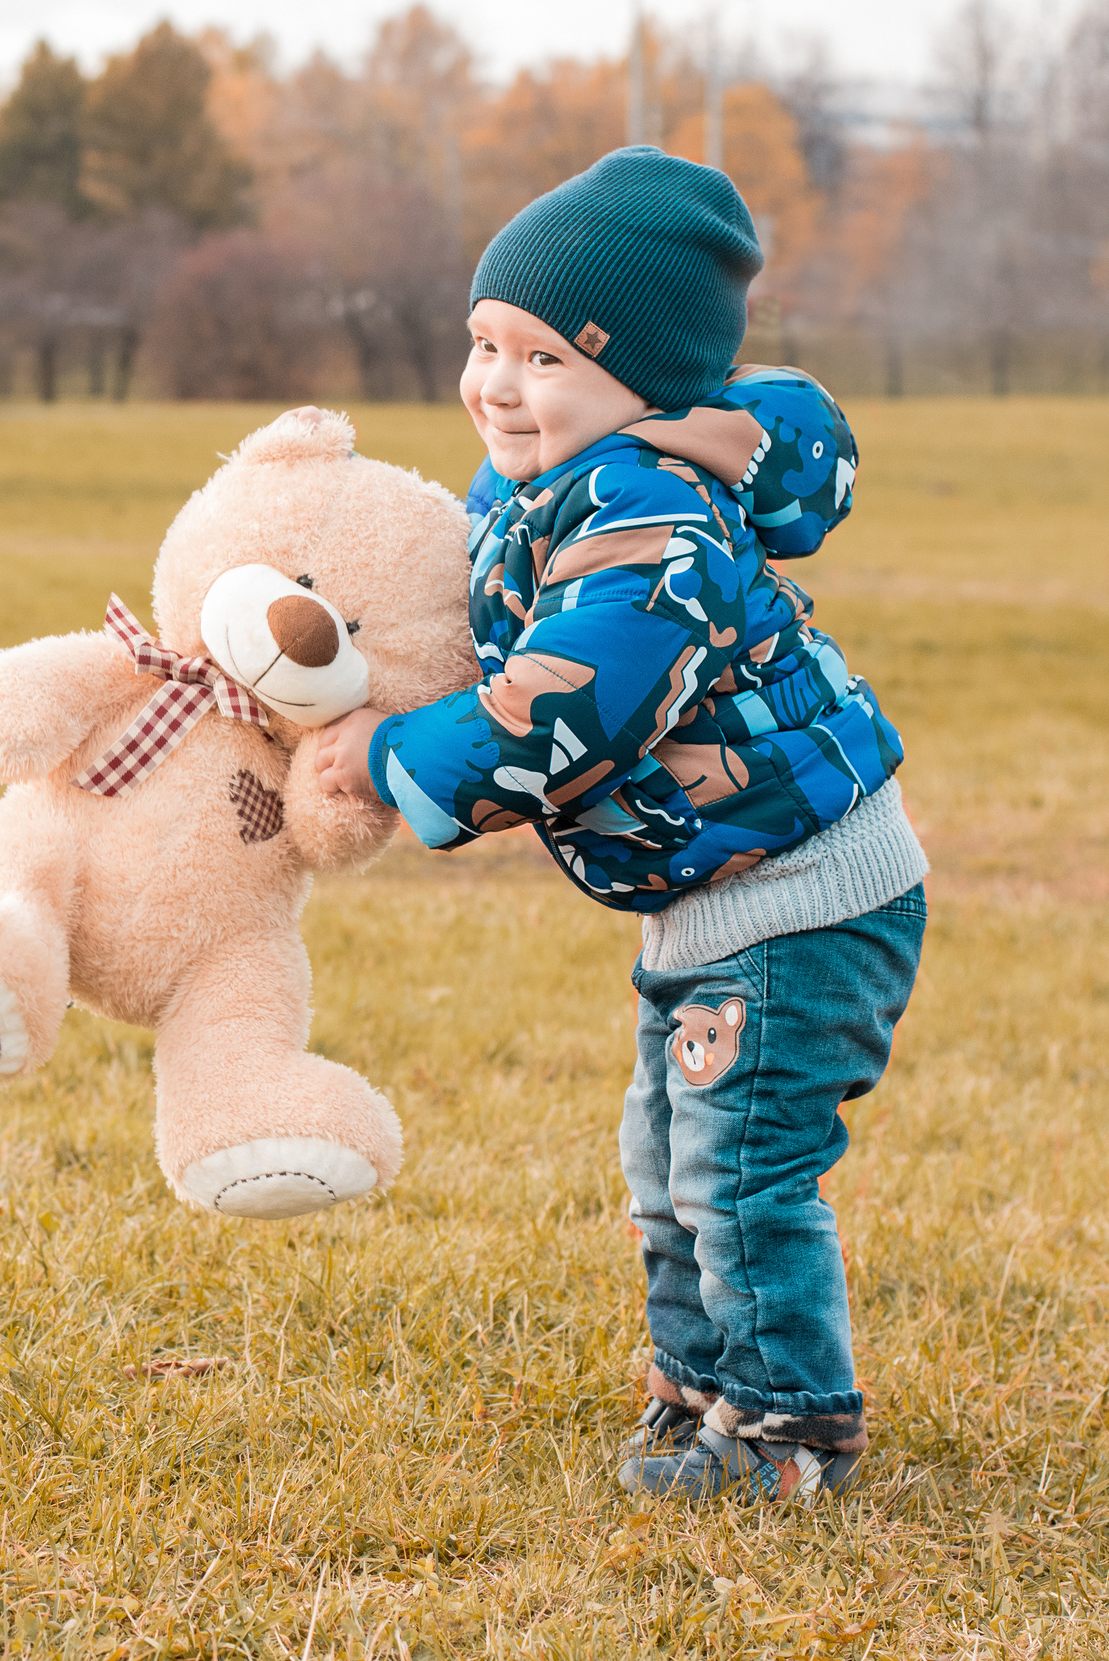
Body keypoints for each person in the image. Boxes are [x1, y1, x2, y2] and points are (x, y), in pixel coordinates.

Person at [312, 147, 929, 1504]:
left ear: (642, 389)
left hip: (801, 900)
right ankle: (700, 1384)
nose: (495, 385)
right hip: (717, 897)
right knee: (664, 1159)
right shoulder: (554, 490)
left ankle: (783, 1432)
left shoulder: (651, 521)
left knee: (739, 1164)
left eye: (542, 361)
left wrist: (384, 753)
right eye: (484, 343)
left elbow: (558, 712)